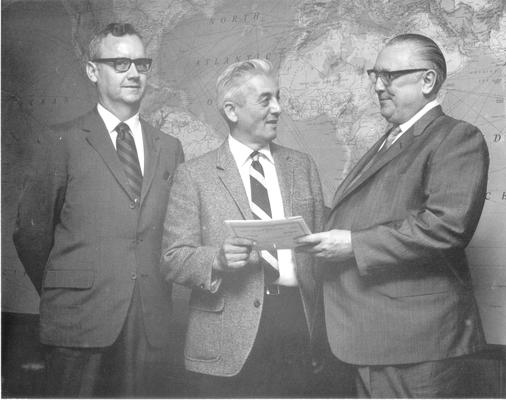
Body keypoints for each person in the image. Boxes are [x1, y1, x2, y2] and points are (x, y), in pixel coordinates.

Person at [297, 33, 489, 398]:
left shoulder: (457, 138)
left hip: (415, 346)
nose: (378, 86)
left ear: (428, 80)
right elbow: (367, 211)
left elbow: (445, 227)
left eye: (390, 76)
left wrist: (353, 244)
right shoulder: (390, 139)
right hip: (370, 338)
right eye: (375, 75)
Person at [13, 23, 184, 397]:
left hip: (148, 322)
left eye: (141, 63)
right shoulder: (60, 141)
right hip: (78, 320)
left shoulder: (169, 147)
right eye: (120, 63)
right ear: (93, 71)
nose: (134, 73)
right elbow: (31, 233)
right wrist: (71, 287)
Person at [160, 59, 325, 397]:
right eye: (266, 99)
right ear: (232, 111)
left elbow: (319, 255)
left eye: (278, 97)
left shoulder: (303, 166)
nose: (278, 108)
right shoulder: (194, 175)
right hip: (226, 336)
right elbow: (172, 258)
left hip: (297, 326)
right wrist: (216, 260)